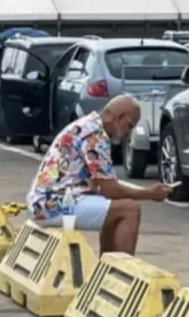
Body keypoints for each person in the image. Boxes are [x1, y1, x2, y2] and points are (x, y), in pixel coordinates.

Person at [26, 95, 172, 255]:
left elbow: (101, 185)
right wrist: (149, 193)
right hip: (51, 205)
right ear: (119, 117)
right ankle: (120, 272)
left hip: (43, 202)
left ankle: (106, 268)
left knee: (114, 207)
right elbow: (109, 189)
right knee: (130, 210)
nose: (128, 133)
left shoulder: (88, 125)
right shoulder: (95, 136)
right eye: (129, 126)